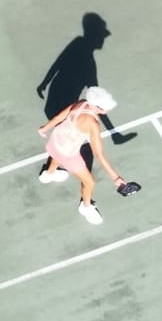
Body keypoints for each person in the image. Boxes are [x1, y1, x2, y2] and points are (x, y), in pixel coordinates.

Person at [38, 86, 131, 225]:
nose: (106, 111)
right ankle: (86, 207)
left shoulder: (81, 103)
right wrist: (115, 177)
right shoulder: (92, 123)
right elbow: (98, 153)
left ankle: (48, 174)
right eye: (103, 108)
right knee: (90, 182)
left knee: (56, 155)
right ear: (96, 106)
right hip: (68, 154)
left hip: (56, 139)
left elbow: (59, 117)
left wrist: (44, 129)